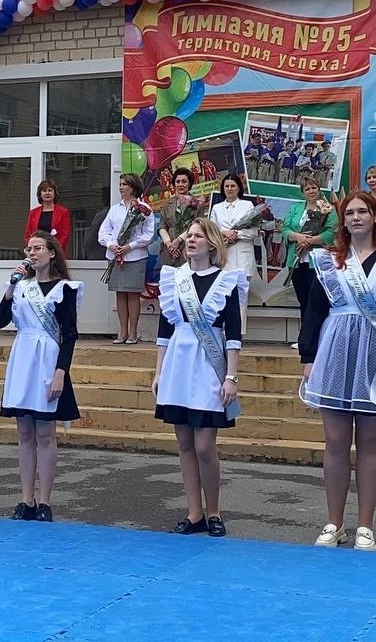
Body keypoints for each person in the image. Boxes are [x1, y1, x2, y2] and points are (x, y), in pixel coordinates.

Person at [299, 192, 376, 552]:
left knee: (369, 444)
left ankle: (365, 525)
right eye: (349, 212)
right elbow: (314, 310)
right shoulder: (328, 262)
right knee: (335, 443)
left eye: (362, 211)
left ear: (375, 217)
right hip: (334, 352)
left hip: (375, 356)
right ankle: (334, 522)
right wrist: (308, 355)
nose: (355, 217)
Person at [152, 218, 247, 538]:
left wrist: (231, 376)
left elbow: (233, 333)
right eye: (189, 236)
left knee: (205, 445)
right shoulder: (174, 278)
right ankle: (195, 513)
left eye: (198, 236)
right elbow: (165, 329)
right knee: (184, 443)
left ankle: (214, 511)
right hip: (178, 364)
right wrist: (158, 372)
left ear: (212, 243)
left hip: (209, 365)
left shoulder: (227, 279)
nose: (191, 240)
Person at [0, 231, 82, 522]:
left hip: (47, 359)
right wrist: (10, 287)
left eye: (37, 248)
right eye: (28, 249)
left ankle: (44, 500)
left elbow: (70, 334)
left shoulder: (65, 288)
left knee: (45, 433)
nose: (31, 253)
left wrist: (60, 372)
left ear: (51, 252)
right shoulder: (22, 287)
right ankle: (26, 499)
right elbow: (1, 320)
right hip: (23, 358)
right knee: (24, 432)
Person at [279, 177, 338, 349]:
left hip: (316, 261)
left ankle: (319, 338)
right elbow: (285, 229)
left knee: (316, 299)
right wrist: (299, 237)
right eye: (307, 189)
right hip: (297, 260)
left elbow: (331, 232)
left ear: (319, 189)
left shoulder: (328, 209)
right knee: (303, 299)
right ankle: (305, 338)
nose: (311, 191)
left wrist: (310, 241)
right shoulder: (296, 208)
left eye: (314, 188)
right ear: (302, 192)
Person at [98, 173, 155, 345]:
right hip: (116, 256)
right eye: (120, 184)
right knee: (120, 293)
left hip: (135, 256)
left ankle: (133, 332)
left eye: (125, 184)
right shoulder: (114, 209)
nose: (121, 187)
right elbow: (103, 232)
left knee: (133, 294)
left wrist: (130, 246)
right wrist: (111, 245)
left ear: (134, 187)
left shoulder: (144, 209)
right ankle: (122, 331)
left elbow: (148, 235)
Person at [208, 173, 257, 334]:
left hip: (242, 256)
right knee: (222, 296)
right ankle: (221, 331)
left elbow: (253, 232)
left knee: (240, 297)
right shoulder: (217, 208)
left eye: (233, 186)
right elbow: (212, 231)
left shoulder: (247, 205)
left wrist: (236, 234)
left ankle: (237, 333)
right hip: (223, 256)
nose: (229, 189)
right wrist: (224, 233)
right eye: (227, 186)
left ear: (239, 188)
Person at [158, 167, 199, 267]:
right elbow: (162, 226)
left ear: (189, 183)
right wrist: (169, 244)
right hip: (168, 250)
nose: (180, 184)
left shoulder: (196, 204)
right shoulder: (168, 203)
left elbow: (198, 226)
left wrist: (179, 240)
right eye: (178, 182)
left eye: (184, 181)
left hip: (189, 246)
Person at [23, 179, 73, 247]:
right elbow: (28, 235)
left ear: (54, 194)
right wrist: (34, 247)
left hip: (55, 250)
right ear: (40, 194)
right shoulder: (33, 213)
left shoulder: (63, 212)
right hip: (37, 250)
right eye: (44, 191)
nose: (47, 193)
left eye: (50, 190)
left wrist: (53, 248)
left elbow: (65, 235)